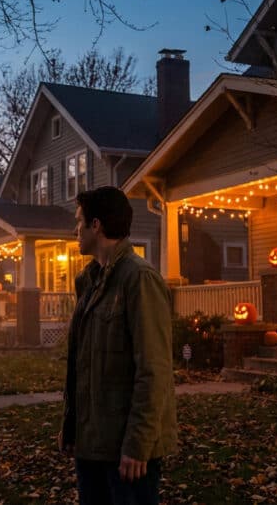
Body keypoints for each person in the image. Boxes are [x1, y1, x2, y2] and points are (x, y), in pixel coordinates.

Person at [59, 187, 176, 505]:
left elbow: (154, 369)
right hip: (93, 446)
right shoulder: (91, 282)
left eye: (79, 221)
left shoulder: (139, 279)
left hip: (127, 455)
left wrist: (137, 445)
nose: (75, 230)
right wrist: (72, 428)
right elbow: (82, 364)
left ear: (96, 225)